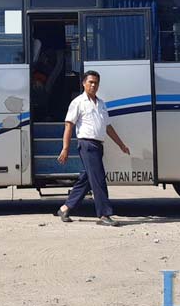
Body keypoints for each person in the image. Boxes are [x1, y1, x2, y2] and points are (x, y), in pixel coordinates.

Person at [56, 70, 130, 226]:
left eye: (96, 83)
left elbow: (108, 127)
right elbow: (69, 125)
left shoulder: (101, 104)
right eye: (90, 82)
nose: (93, 85)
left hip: (98, 145)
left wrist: (121, 144)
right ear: (84, 83)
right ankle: (104, 214)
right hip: (87, 144)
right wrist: (65, 148)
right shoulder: (78, 102)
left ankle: (65, 208)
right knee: (98, 178)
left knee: (88, 179)